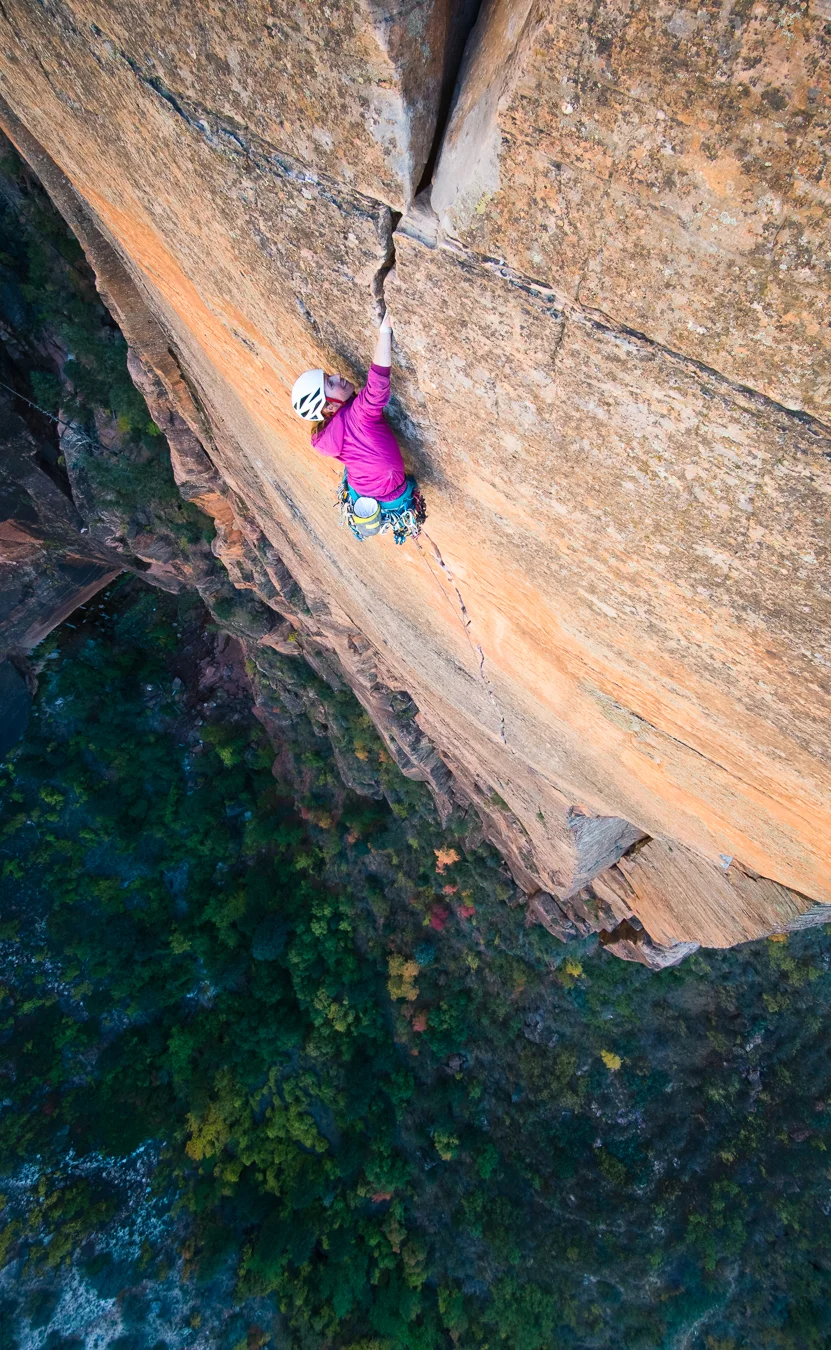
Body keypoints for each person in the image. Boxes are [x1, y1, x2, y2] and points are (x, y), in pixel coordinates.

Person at [291, 312, 423, 543]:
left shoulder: (326, 434)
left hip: (364, 486)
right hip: (378, 488)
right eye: (330, 383)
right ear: (329, 408)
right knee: (399, 494)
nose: (338, 376)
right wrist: (385, 331)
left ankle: (369, 518)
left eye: (329, 376)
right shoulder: (357, 416)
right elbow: (376, 385)